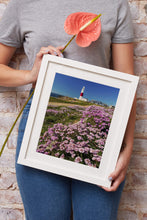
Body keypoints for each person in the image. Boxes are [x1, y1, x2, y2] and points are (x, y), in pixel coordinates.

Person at [0, 0, 136, 219]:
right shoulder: (22, 4)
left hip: (104, 130)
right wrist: (30, 75)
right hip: (38, 124)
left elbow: (128, 82)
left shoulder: (114, 4)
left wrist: (126, 148)